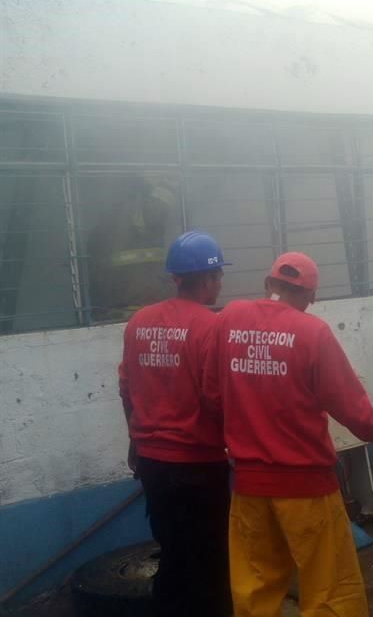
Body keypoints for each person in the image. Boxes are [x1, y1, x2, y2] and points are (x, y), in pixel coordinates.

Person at [203, 251, 373, 617]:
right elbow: (353, 410)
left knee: (254, 590)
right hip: (306, 489)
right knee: (330, 591)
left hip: (249, 490)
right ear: (311, 296)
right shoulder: (312, 332)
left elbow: (212, 395)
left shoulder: (228, 319)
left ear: (268, 284)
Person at [118, 231, 232, 617]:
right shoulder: (210, 327)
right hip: (198, 465)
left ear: (175, 277)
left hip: (152, 464)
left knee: (172, 552)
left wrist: (136, 441)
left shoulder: (138, 322)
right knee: (211, 560)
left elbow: (126, 389)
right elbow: (215, 398)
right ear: (208, 278)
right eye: (218, 276)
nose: (220, 284)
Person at [89, 177, 177, 321]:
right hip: (130, 312)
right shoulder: (123, 222)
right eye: (159, 206)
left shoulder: (105, 223)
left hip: (142, 311)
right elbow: (157, 211)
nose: (163, 217)